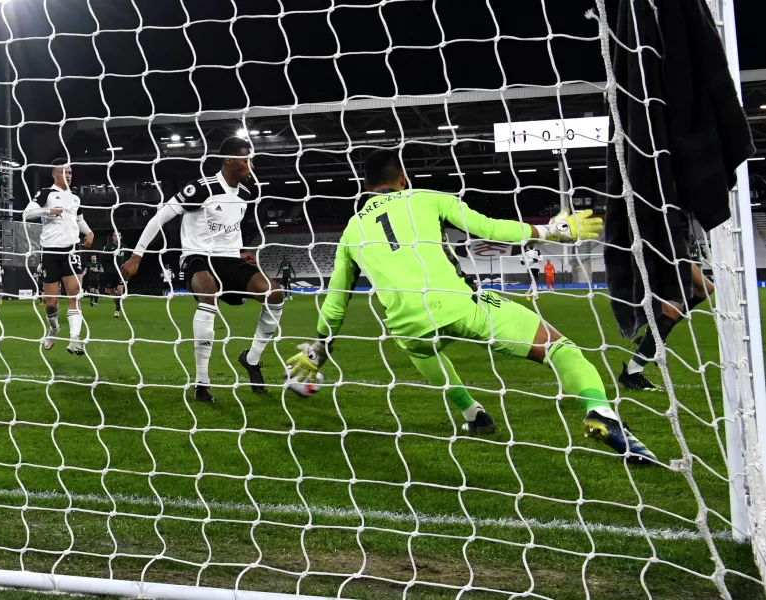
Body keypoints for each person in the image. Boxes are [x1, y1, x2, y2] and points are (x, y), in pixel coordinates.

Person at [285, 149, 656, 464]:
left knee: (421, 350)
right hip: (461, 305)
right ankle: (600, 413)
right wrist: (550, 231)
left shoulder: (351, 232)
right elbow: (490, 229)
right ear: (403, 179)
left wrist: (320, 347)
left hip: (407, 326)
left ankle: (473, 414)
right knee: (561, 349)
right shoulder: (426, 197)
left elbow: (336, 302)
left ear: (366, 187)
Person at [122, 136, 284, 402]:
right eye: (246, 159)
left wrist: (240, 250)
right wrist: (136, 255)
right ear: (229, 160)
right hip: (197, 258)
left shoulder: (246, 194)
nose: (250, 164)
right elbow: (161, 216)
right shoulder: (201, 188)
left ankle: (251, 359)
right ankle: (202, 382)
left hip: (230, 259)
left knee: (274, 294)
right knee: (208, 292)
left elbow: (230, 229)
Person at [23, 159, 94, 355]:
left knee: (75, 295)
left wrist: (89, 232)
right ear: (55, 174)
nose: (69, 176)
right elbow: (27, 214)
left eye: (70, 172)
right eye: (65, 172)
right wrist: (48, 211)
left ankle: (75, 340)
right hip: (50, 252)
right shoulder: (46, 194)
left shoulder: (75, 198)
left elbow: (79, 219)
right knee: (51, 303)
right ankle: (54, 329)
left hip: (70, 251)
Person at [618, 263, 714, 391]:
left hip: (676, 252)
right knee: (673, 307)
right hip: (660, 254)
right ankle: (632, 371)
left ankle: (651, 338)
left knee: (705, 289)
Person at [103, 232, 132, 318]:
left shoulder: (124, 247)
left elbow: (128, 257)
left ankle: (117, 310)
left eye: (118, 235)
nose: (117, 237)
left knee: (120, 291)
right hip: (110, 272)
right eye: (115, 236)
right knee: (112, 293)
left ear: (121, 237)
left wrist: (127, 264)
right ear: (113, 237)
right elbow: (104, 258)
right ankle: (118, 304)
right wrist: (112, 255)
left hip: (120, 272)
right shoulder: (108, 247)